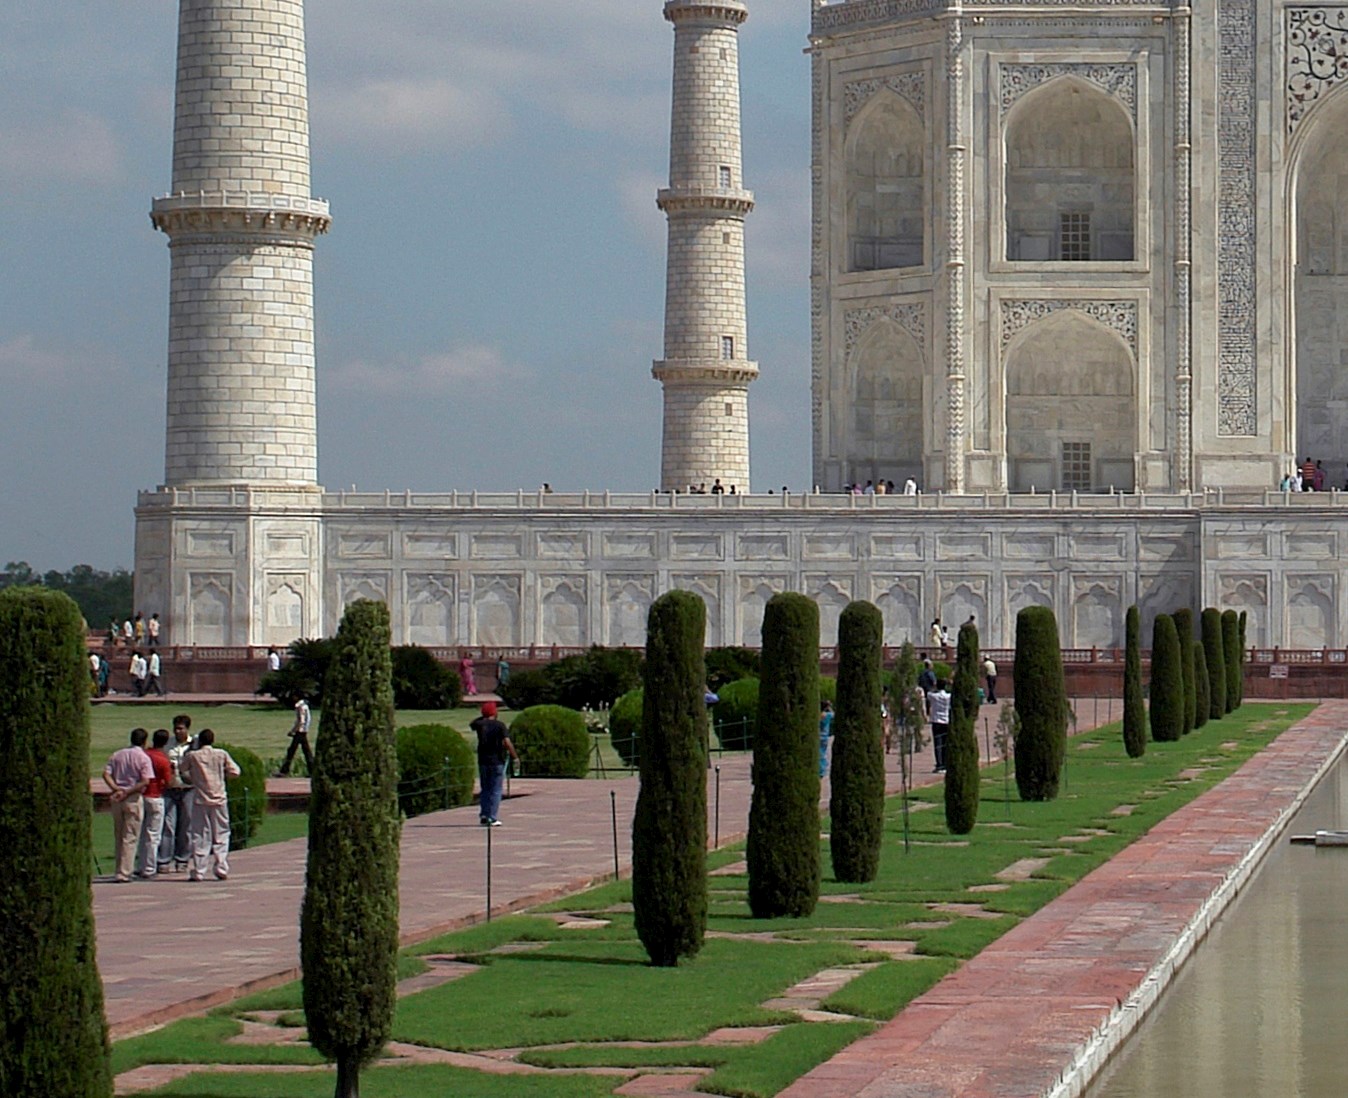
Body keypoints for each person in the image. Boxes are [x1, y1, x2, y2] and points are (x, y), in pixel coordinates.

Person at [179, 728, 241, 881]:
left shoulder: (193, 756)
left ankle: (199, 870)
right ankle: (221, 866)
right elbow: (235, 772)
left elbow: (181, 769)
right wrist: (222, 775)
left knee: (200, 834)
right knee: (221, 833)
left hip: (201, 798)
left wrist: (194, 777)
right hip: (219, 797)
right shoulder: (221, 754)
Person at [103, 728, 154, 882]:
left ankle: (119, 868)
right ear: (144, 741)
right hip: (132, 797)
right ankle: (124, 872)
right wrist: (127, 791)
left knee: (119, 835)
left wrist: (116, 789)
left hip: (118, 798)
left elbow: (106, 774)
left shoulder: (117, 754)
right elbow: (145, 780)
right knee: (130, 836)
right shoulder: (143, 757)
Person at [470, 701, 518, 826]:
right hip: (497, 760)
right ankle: (492, 816)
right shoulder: (499, 726)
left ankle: (484, 814)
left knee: (485, 789)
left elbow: (472, 723)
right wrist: (515, 757)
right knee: (496, 790)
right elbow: (507, 742)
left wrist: (484, 716)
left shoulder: (479, 725)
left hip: (483, 761)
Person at [159, 715, 195, 873]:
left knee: (186, 825)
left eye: (181, 728)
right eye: (176, 728)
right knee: (168, 825)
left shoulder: (194, 745)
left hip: (188, 788)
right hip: (171, 788)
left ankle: (182, 859)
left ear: (187, 729)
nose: (178, 731)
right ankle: (164, 860)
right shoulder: (168, 744)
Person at [135, 730, 173, 878]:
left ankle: (140, 865)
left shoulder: (144, 754)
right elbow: (169, 782)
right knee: (153, 835)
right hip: (155, 796)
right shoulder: (162, 759)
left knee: (141, 833)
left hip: (140, 795)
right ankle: (149, 868)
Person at [278, 695, 313, 776]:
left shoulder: (300, 706)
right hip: (303, 731)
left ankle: (284, 770)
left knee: (292, 751)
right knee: (306, 751)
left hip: (300, 732)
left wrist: (293, 731)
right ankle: (312, 770)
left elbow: (301, 720)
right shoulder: (305, 706)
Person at [927, 679, 952, 772]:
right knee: (945, 744)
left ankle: (939, 764)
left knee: (938, 744)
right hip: (946, 721)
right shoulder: (948, 696)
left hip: (936, 721)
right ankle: (945, 764)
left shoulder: (933, 696)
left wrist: (934, 687)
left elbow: (929, 692)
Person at [818, 699, 835, 777]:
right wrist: (829, 708)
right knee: (823, 753)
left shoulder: (818, 715)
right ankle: (822, 770)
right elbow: (834, 714)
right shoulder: (827, 715)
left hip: (818, 736)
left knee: (820, 753)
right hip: (824, 737)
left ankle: (821, 769)